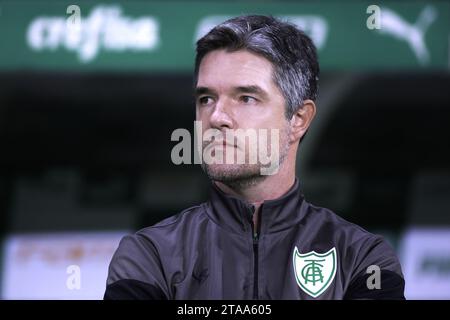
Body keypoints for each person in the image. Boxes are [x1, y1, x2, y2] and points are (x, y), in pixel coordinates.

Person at [104, 15, 405, 300]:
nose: (217, 116)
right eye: (206, 98)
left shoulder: (363, 258)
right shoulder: (149, 256)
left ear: (298, 119)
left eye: (246, 98)